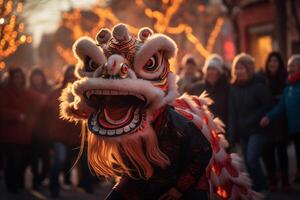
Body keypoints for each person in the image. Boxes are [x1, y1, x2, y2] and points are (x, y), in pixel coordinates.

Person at [227, 53, 272, 192]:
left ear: (249, 69)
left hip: (258, 130)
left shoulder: (258, 85)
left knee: (252, 159)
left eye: (242, 68)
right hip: (243, 132)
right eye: (237, 68)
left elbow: (268, 105)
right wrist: (231, 137)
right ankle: (256, 189)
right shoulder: (233, 88)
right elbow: (232, 114)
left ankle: (262, 188)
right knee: (247, 163)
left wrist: (254, 118)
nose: (239, 71)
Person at [41, 65, 81, 197]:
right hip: (58, 134)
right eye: (68, 75)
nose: (70, 78)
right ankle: (54, 187)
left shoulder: (80, 93)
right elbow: (47, 111)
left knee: (67, 162)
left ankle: (64, 183)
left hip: (74, 135)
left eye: (72, 75)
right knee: (59, 159)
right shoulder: (56, 92)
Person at [0, 68, 41, 193]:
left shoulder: (26, 92)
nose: (19, 79)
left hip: (24, 134)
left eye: (21, 77)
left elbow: (39, 100)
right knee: (13, 161)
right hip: (9, 134)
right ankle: (11, 185)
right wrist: (18, 116)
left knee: (24, 160)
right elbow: (2, 110)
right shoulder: (5, 92)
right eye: (16, 77)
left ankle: (18, 183)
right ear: (11, 79)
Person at [260, 54, 300, 183]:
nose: (289, 68)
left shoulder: (290, 84)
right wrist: (267, 117)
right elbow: (281, 106)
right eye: (289, 66)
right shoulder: (288, 86)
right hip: (293, 129)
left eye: (293, 66)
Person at [188, 54, 229, 126]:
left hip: (221, 130)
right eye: (208, 69)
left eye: (213, 69)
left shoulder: (227, 89)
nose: (210, 72)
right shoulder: (195, 88)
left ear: (219, 72)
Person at [29, 68, 52, 190]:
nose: (37, 79)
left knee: (46, 159)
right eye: (35, 76)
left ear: (42, 78)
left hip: (46, 129)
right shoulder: (27, 90)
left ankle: (41, 178)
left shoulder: (48, 90)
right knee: (34, 158)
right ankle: (35, 181)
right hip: (32, 129)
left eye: (39, 76)